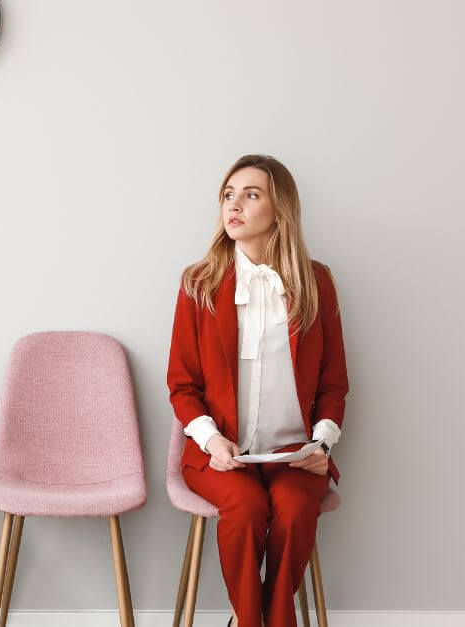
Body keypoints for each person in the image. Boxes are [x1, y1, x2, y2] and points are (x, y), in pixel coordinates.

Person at [166, 154, 350, 627]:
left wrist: (322, 443)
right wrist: (211, 440)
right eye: (229, 195)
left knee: (291, 511)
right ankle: (257, 621)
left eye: (251, 195)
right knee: (245, 510)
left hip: (295, 451)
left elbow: (333, 383)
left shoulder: (317, 283)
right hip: (220, 451)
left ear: (280, 208)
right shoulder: (199, 283)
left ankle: (257, 618)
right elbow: (182, 385)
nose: (235, 205)